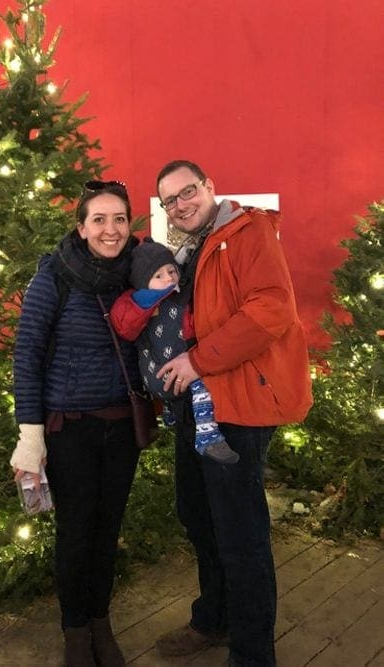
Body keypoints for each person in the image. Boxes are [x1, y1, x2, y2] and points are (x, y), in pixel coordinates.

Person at [152, 160, 313, 666]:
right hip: (196, 406)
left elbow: (271, 309)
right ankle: (214, 619)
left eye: (188, 191)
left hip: (238, 406)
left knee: (240, 534)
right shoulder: (186, 250)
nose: (181, 204)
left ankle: (251, 653)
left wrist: (197, 360)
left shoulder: (247, 233)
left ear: (210, 188)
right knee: (198, 516)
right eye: (170, 200)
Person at [10, 180, 142, 667]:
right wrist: (30, 435)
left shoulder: (139, 276)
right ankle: (75, 631)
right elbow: (27, 355)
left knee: (107, 531)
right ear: (82, 227)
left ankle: (101, 621)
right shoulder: (54, 278)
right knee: (76, 531)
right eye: (100, 220)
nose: (111, 230)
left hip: (122, 428)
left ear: (130, 224)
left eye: (120, 219)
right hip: (71, 431)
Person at [110, 237, 239, 464]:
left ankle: (170, 411)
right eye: (158, 276)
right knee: (203, 387)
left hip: (155, 375)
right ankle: (207, 435)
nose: (169, 278)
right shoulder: (161, 302)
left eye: (171, 271)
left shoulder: (137, 304)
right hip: (173, 372)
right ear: (142, 281)